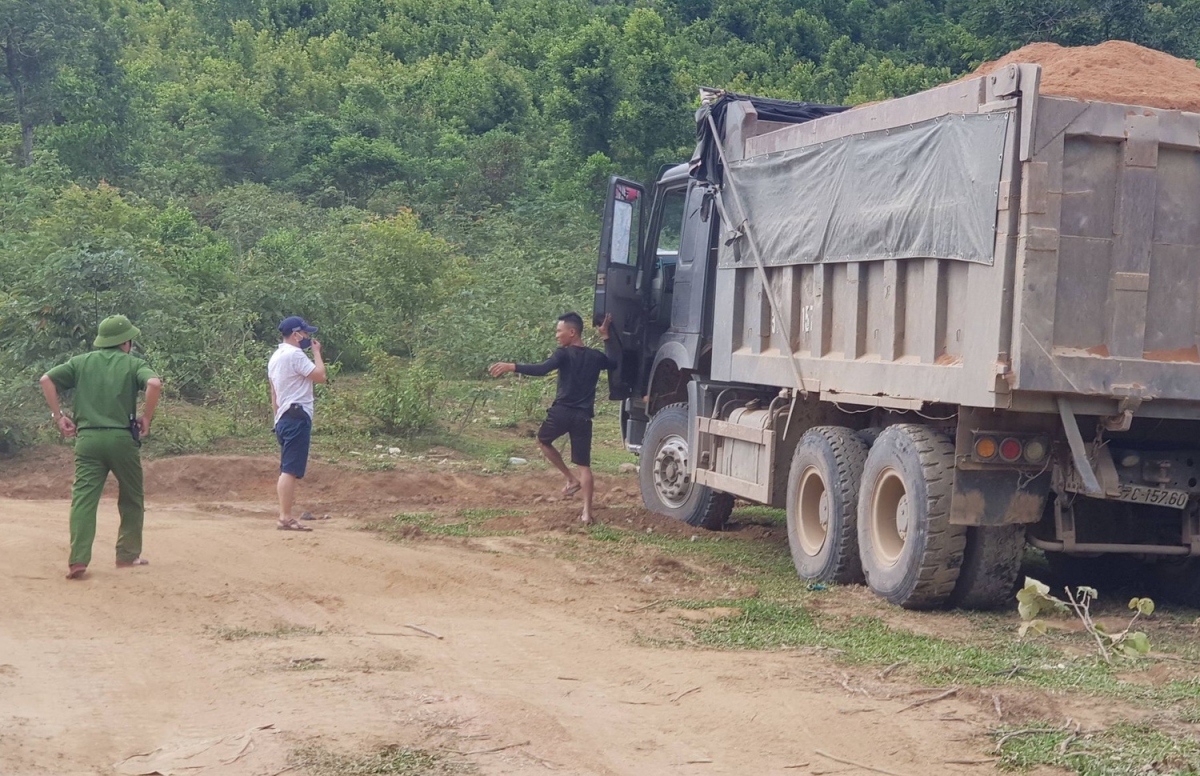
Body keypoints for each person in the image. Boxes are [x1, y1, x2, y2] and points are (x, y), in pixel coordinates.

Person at [39, 315, 162, 580]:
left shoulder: (80, 363)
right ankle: (127, 556)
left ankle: (78, 560)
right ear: (126, 342)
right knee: (131, 496)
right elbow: (154, 383)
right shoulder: (133, 364)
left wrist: (59, 416)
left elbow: (46, 379)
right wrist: (147, 418)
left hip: (88, 440)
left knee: (84, 499)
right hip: (121, 440)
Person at [489, 312, 619, 524]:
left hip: (561, 411)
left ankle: (570, 478)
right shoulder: (596, 357)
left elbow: (542, 369)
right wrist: (606, 336)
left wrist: (512, 366)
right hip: (583, 416)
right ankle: (587, 513)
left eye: (559, 331)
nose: (557, 335)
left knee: (543, 441)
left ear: (572, 332)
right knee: (584, 466)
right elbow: (614, 362)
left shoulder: (563, 354)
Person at [268, 315, 326, 531]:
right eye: (305, 333)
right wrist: (317, 353)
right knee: (290, 469)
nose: (308, 337)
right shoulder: (295, 354)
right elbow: (320, 375)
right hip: (296, 416)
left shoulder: (275, 356)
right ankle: (285, 517)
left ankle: (285, 515)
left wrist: (276, 416)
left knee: (287, 467)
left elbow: (273, 391)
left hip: (284, 415)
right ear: (296, 334)